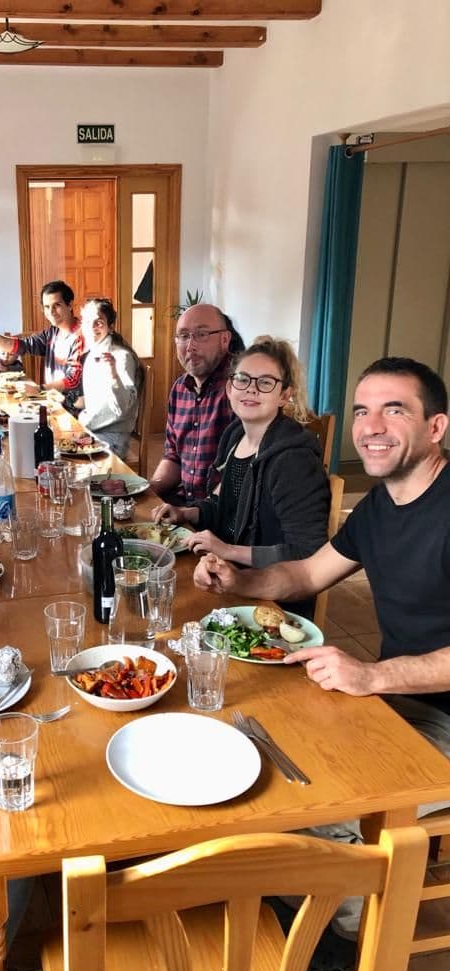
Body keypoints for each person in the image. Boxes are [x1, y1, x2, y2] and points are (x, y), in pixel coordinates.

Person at [194, 356, 450, 934]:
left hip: (437, 720)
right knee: (258, 755)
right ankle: (311, 893)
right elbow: (308, 574)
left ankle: (347, 930)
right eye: (362, 411)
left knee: (311, 805)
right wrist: (242, 581)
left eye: (394, 410)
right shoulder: (380, 506)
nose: (371, 426)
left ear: (435, 427)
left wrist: (374, 676)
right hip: (398, 703)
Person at [154, 337, 330, 617]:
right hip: (226, 577)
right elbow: (224, 504)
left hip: (271, 602)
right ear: (229, 388)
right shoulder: (234, 436)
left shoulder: (294, 461)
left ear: (285, 395)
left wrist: (229, 551)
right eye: (243, 379)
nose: (251, 389)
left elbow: (309, 554)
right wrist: (185, 513)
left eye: (265, 382)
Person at [150, 303, 244, 506]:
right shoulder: (180, 388)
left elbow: (243, 474)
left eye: (201, 335)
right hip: (185, 503)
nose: (190, 346)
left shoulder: (242, 387)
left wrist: (197, 513)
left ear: (225, 340)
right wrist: (149, 491)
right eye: (183, 336)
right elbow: (173, 457)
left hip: (223, 511)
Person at [0, 280, 85, 406]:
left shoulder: (82, 335)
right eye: (47, 307)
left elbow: (73, 380)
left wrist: (39, 389)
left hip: (73, 408)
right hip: (53, 402)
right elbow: (23, 346)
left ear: (70, 305)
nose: (51, 312)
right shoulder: (52, 333)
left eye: (57, 305)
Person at [74, 298, 139, 459]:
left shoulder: (121, 357)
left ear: (110, 327)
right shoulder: (92, 354)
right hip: (93, 429)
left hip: (112, 438)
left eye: (99, 322)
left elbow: (123, 409)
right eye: (87, 321)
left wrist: (113, 374)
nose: (91, 326)